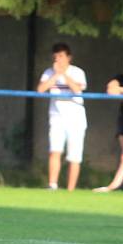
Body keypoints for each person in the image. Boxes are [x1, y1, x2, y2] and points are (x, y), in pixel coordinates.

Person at [36, 42, 87, 191]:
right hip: (56, 117)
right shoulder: (48, 72)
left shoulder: (77, 72)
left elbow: (78, 90)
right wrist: (56, 75)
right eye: (55, 56)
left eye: (61, 56)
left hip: (76, 118)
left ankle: (70, 189)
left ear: (68, 57)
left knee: (75, 155)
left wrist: (64, 75)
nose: (58, 59)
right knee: (55, 150)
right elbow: (40, 89)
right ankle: (52, 185)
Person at [93, 72, 123, 192]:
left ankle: (114, 185)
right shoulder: (120, 78)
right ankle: (114, 185)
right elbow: (111, 90)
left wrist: (121, 90)